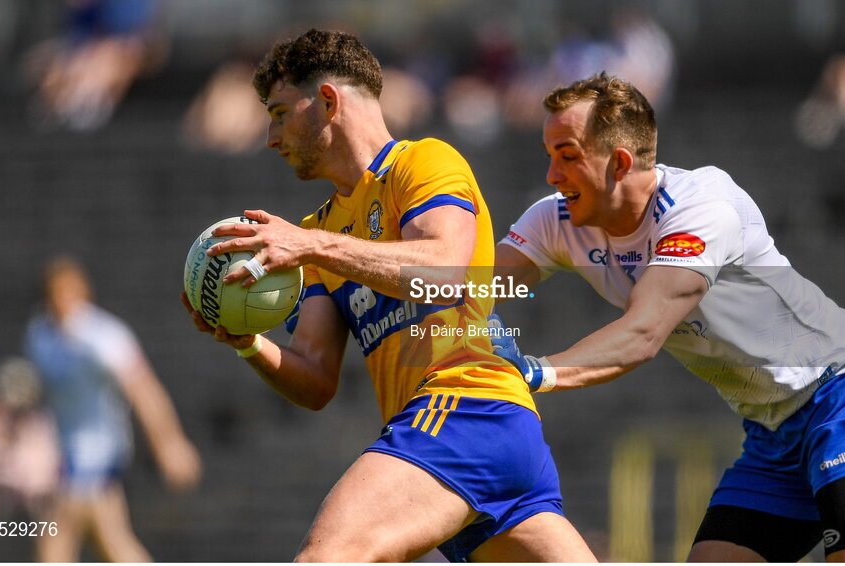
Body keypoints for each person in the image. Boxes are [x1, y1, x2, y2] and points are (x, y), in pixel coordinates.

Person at [180, 28, 595, 563]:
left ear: (327, 101)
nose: (270, 137)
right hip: (486, 440)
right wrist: (246, 342)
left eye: (280, 113)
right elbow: (315, 377)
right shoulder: (320, 229)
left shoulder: (420, 163)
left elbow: (445, 272)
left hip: (464, 407)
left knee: (327, 557)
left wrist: (312, 247)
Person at [491, 72, 845, 562]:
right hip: (770, 433)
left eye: (568, 156)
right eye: (550, 155)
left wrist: (534, 372)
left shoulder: (701, 208)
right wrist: (402, 281)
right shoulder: (557, 218)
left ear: (618, 163)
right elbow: (468, 287)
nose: (552, 174)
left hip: (844, 393)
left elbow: (642, 333)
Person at [25, 256, 201, 561]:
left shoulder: (102, 336)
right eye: (55, 294)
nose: (62, 302)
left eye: (68, 293)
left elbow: (144, 389)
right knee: (111, 544)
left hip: (96, 460)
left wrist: (169, 444)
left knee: (56, 543)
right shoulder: (39, 336)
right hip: (66, 461)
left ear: (84, 293)